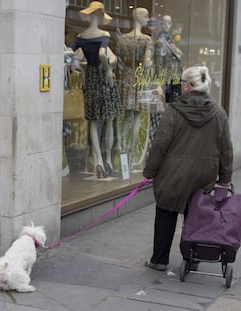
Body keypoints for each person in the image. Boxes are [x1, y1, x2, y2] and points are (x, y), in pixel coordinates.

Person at [143, 66, 233, 271]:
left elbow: (159, 144)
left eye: (182, 82)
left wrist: (150, 172)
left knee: (166, 213)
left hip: (172, 175)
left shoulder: (173, 111)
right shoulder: (219, 113)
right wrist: (225, 179)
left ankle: (159, 259)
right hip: (204, 175)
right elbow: (226, 149)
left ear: (188, 86)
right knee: (195, 217)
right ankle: (193, 258)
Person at [69, 1, 121, 178]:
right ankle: (107, 160)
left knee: (93, 119)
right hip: (103, 77)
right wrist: (107, 69)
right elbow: (101, 54)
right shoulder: (104, 34)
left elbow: (68, 54)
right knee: (109, 117)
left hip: (90, 77)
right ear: (99, 16)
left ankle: (97, 160)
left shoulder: (81, 36)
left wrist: (75, 66)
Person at [117, 7, 153, 159]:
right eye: (145, 16)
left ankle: (122, 150)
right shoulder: (147, 39)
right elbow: (146, 64)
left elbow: (118, 63)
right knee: (137, 116)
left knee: (126, 116)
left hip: (126, 78)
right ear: (138, 17)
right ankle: (132, 153)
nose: (148, 19)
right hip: (138, 79)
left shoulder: (122, 39)